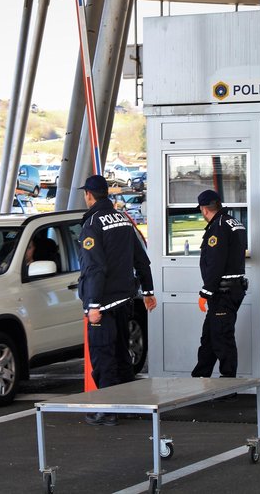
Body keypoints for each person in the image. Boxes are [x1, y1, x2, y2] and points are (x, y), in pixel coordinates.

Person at [78, 174, 157, 426]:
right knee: (123, 356)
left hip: (104, 304)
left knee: (103, 358)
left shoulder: (92, 224)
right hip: (125, 301)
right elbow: (141, 259)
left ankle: (107, 410)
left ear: (89, 195)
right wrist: (148, 291)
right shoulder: (123, 219)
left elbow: (95, 268)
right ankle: (128, 407)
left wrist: (92, 304)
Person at [191, 189, 247, 378]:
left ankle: (227, 385)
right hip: (228, 290)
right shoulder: (233, 222)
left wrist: (205, 292)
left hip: (223, 292)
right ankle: (200, 377)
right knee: (209, 337)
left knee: (222, 338)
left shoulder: (219, 226)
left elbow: (216, 262)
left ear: (204, 209)